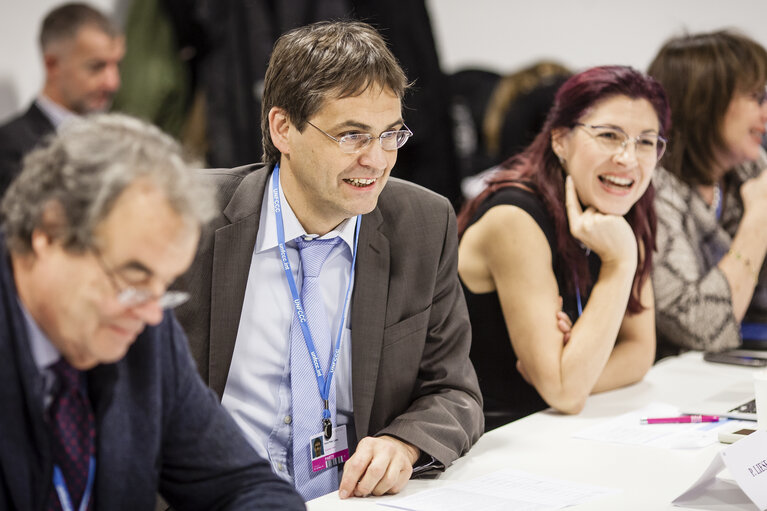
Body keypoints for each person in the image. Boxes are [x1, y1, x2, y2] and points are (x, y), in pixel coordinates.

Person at [175, 20, 483, 502]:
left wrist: (402, 445)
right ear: (283, 128)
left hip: (348, 500)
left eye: (390, 135)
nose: (377, 160)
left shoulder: (424, 223)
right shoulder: (186, 216)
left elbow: (455, 391)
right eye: (352, 135)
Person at [0, 114, 305, 510]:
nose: (151, 314)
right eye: (133, 277)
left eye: (165, 288)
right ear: (49, 232)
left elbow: (245, 485)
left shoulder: (146, 334)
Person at [457, 66, 669, 430]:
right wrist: (620, 264)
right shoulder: (515, 217)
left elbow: (638, 351)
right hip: (490, 440)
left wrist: (574, 368)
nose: (628, 158)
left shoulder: (625, 208)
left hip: (557, 427)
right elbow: (565, 391)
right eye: (608, 135)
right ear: (560, 140)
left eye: (646, 141)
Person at [647, 31, 767, 359]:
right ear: (705, 103)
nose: (766, 114)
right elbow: (701, 329)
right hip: (672, 385)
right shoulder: (652, 190)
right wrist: (759, 219)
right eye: (756, 98)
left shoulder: (749, 169)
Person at [0, 2, 124, 197]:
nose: (113, 83)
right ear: (52, 65)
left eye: (117, 65)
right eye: (96, 67)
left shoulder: (115, 144)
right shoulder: (11, 147)